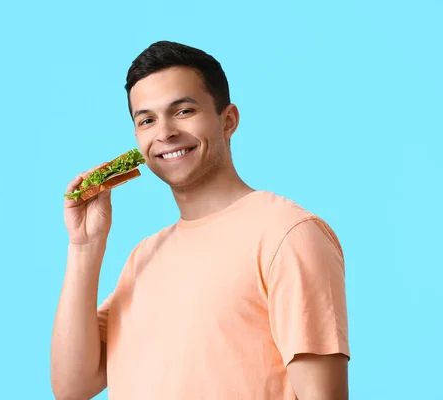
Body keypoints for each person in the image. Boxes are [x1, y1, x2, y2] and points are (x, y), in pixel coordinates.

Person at [51, 40, 350, 399]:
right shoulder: (144, 257)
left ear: (228, 120)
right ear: (137, 138)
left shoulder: (287, 234)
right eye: (146, 120)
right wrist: (85, 247)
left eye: (183, 111)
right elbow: (72, 387)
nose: (164, 133)